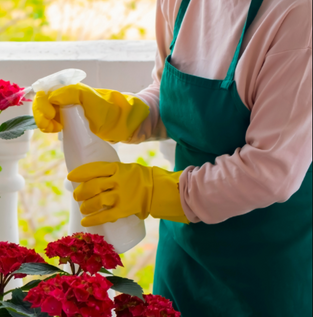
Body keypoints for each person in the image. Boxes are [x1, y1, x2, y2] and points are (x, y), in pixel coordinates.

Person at [32, 0, 312, 315]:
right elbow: (169, 94)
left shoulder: (298, 14)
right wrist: (121, 113)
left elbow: (271, 171)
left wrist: (154, 191)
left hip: (268, 266)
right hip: (183, 253)